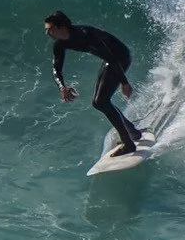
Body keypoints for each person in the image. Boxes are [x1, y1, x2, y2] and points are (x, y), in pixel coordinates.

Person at [45, 11, 145, 156]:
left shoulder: (85, 34)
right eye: (46, 30)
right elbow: (56, 69)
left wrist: (125, 83)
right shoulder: (60, 44)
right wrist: (62, 87)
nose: (47, 33)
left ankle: (129, 143)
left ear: (62, 27)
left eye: (50, 29)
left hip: (120, 57)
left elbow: (111, 56)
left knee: (101, 101)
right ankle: (132, 132)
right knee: (99, 102)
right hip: (109, 60)